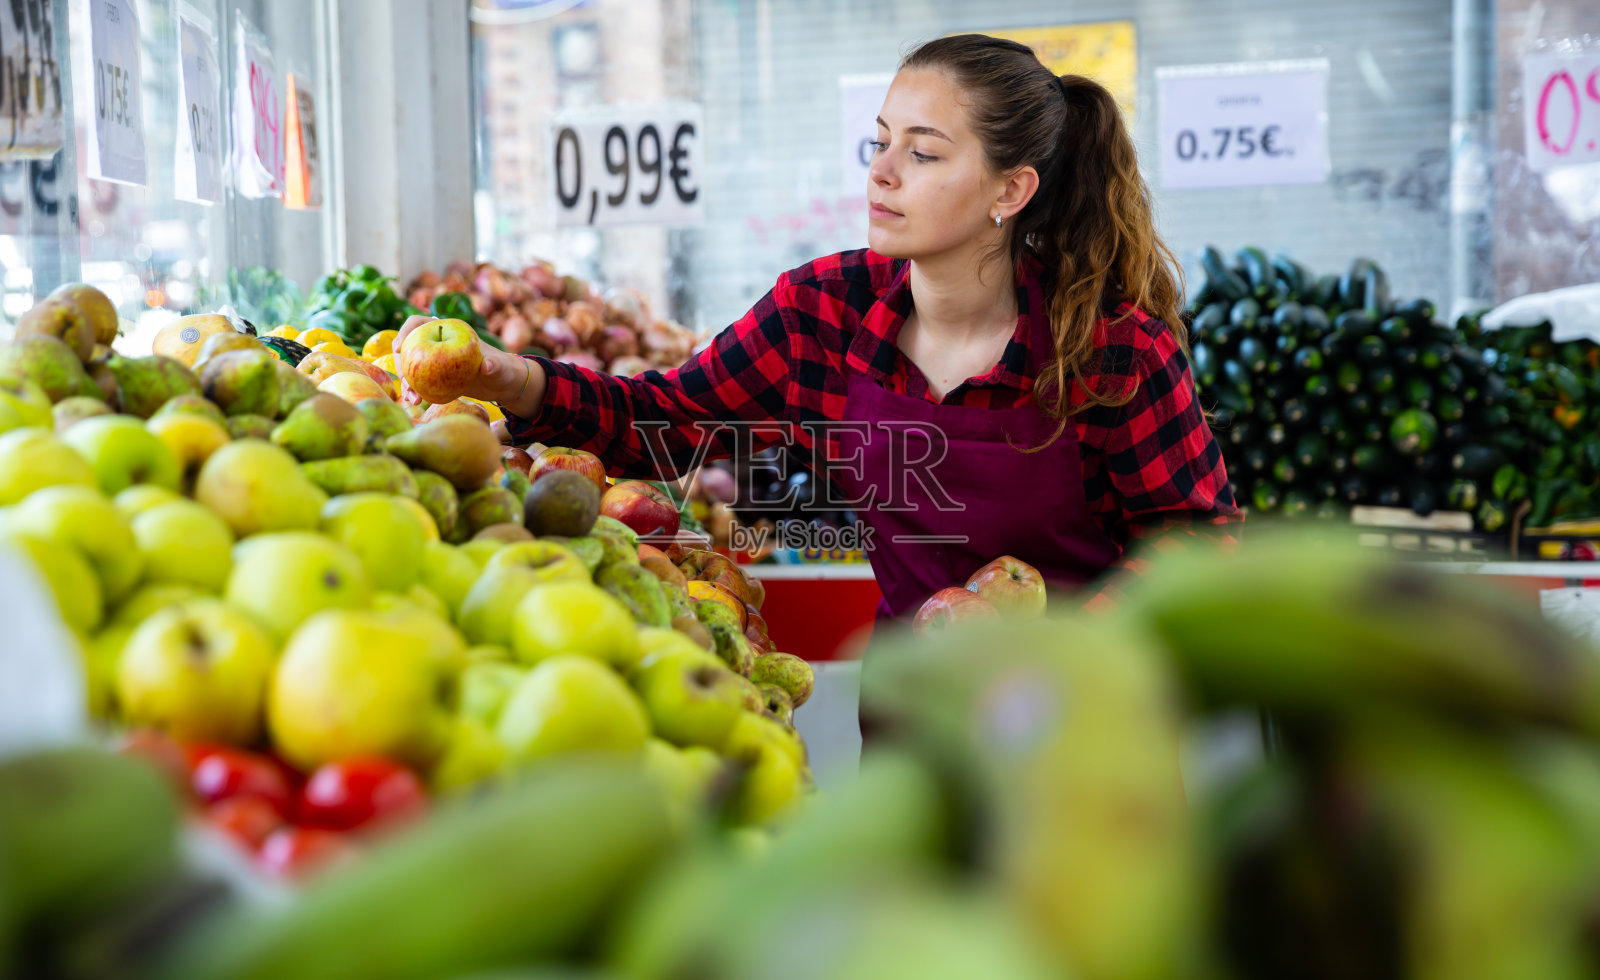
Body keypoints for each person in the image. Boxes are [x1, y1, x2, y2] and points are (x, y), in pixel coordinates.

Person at [395, 33, 1241, 626]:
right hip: (918, 728)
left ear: (1010, 192)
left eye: (923, 152)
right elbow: (672, 425)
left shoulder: (1114, 350)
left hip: (1087, 729)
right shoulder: (825, 311)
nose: (880, 171)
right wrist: (517, 380)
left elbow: (1199, 544)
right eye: (879, 143)